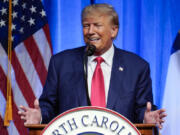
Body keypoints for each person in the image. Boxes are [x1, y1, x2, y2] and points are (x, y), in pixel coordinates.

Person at [18, 3, 166, 128]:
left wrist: (145, 119)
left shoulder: (137, 67)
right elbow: (49, 105)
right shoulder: (61, 63)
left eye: (97, 25)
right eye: (86, 26)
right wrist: (40, 116)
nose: (90, 31)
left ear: (114, 30)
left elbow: (141, 109)